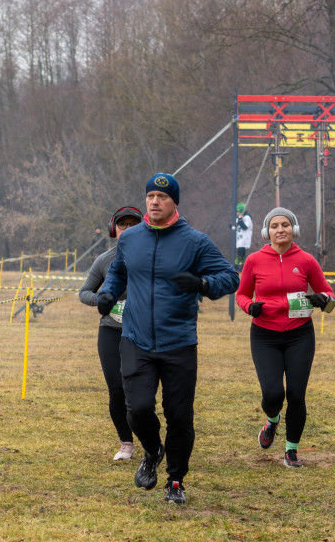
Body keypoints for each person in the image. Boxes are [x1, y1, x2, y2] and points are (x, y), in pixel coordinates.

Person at [97, 174, 240, 504]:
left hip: (178, 342)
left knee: (179, 416)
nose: (154, 201)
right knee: (137, 409)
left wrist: (202, 284)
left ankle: (176, 480)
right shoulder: (130, 239)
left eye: (162, 196)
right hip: (135, 338)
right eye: (150, 196)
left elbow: (230, 277)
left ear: (175, 201)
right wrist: (107, 293)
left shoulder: (195, 241)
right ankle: (151, 449)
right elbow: (118, 271)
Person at [235, 207, 335, 468]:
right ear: (266, 232)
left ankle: (291, 451)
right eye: (275, 226)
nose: (280, 230)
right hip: (265, 335)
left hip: (299, 335)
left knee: (296, 394)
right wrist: (250, 307)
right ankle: (273, 420)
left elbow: (329, 295)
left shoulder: (307, 260)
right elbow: (242, 295)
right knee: (272, 394)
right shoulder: (254, 260)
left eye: (285, 225)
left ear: (294, 229)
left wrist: (321, 299)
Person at [79, 207, 143, 461]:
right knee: (116, 389)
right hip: (110, 331)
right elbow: (84, 292)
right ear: (113, 228)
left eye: (133, 224)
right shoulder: (104, 260)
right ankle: (126, 442)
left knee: (138, 392)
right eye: (122, 224)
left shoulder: (152, 257)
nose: (127, 228)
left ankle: (150, 438)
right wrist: (102, 299)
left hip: (142, 333)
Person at [232, 202, 253, 271]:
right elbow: (232, 226)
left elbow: (244, 227)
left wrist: (240, 220)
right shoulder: (238, 218)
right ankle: (238, 265)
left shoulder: (247, 217)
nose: (237, 213)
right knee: (238, 252)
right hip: (239, 239)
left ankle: (241, 265)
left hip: (244, 239)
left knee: (241, 253)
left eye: (238, 212)